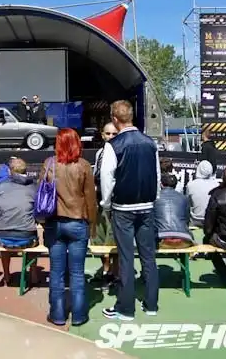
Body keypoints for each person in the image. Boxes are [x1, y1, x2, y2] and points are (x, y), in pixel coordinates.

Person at [100, 100, 161, 321]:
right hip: (147, 206)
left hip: (123, 208)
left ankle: (126, 309)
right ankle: (151, 305)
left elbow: (107, 178)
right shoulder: (150, 143)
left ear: (114, 119)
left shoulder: (113, 145)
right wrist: (154, 198)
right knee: (149, 257)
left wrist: (106, 204)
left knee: (126, 259)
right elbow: (157, 174)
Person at [40, 128, 97, 327]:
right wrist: (92, 224)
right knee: (77, 273)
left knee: (56, 272)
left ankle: (57, 314)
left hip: (54, 222)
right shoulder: (83, 165)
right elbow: (90, 199)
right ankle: (79, 315)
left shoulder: (49, 164)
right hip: (78, 222)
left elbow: (40, 192)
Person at [0, 157, 39, 285]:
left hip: (3, 238)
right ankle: (33, 274)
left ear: (10, 171)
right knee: (34, 236)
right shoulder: (34, 187)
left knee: (3, 238)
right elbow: (38, 213)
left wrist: (0, 221)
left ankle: (6, 275)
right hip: (28, 237)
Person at [91, 122, 118, 286]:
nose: (111, 137)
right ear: (102, 135)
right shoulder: (99, 153)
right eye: (108, 134)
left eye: (114, 134)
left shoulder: (121, 152)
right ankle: (106, 270)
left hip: (116, 202)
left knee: (113, 238)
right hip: (99, 201)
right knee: (99, 238)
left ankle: (115, 273)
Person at [154, 174, 194, 248]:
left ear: (161, 184)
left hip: (161, 238)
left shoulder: (154, 197)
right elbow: (187, 220)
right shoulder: (184, 198)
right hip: (184, 238)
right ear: (175, 185)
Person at [185, 160, 220, 228]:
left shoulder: (191, 185)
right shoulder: (217, 185)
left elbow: (187, 204)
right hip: (211, 221)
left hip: (195, 221)